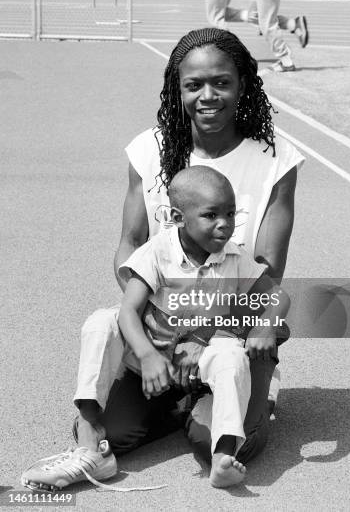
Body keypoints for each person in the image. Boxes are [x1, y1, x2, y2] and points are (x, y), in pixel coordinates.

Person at [21, 27, 304, 491]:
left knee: (215, 440)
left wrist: (205, 336)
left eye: (222, 82)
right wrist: (158, 335)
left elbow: (267, 270)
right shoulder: (148, 151)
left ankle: (243, 389)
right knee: (109, 433)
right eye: (194, 85)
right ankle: (178, 396)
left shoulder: (276, 161)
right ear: (177, 89)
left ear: (244, 85)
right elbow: (129, 245)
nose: (207, 96)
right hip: (161, 321)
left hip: (231, 327)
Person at [118, 166, 290, 487]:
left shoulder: (234, 256)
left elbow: (278, 299)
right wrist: (148, 355)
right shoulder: (157, 253)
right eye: (211, 215)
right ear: (178, 217)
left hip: (219, 358)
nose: (224, 224)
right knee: (114, 434)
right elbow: (128, 311)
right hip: (173, 362)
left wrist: (264, 326)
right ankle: (180, 406)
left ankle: (259, 394)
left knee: (225, 445)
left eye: (230, 213)